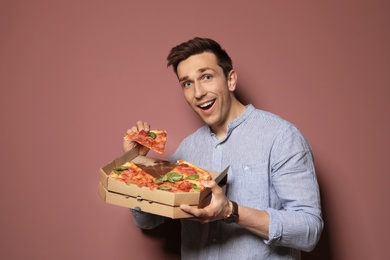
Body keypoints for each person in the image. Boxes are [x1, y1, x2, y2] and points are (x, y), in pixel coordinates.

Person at [123, 37, 323, 259]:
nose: (198, 92)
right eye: (187, 83)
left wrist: (231, 211)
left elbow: (309, 231)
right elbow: (148, 220)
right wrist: (135, 165)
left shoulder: (281, 137)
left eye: (206, 77)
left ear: (230, 80)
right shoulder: (185, 150)